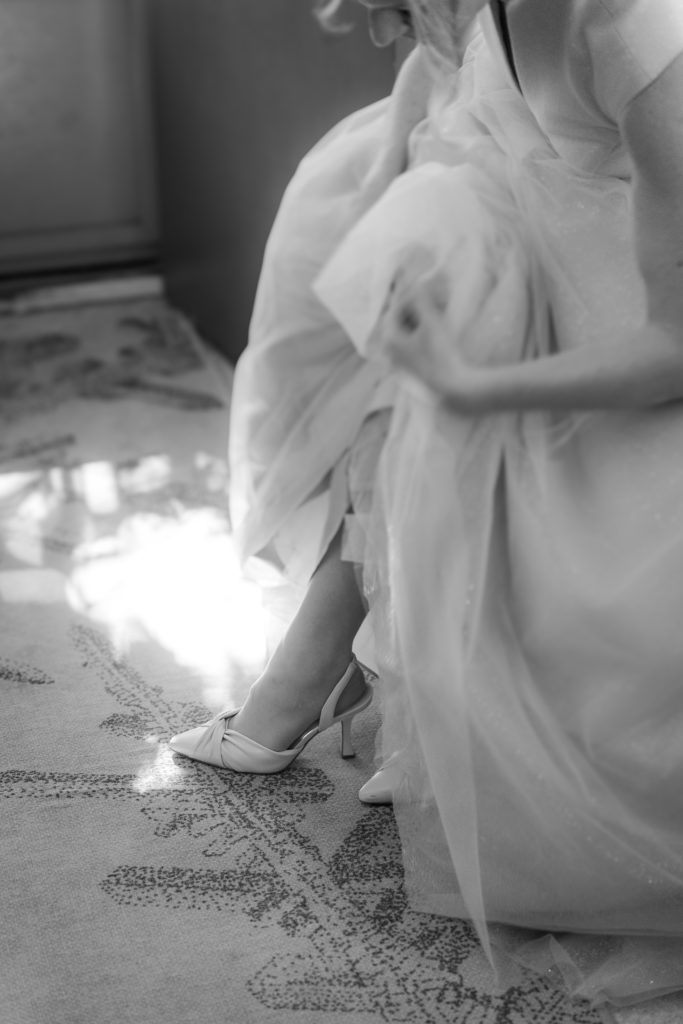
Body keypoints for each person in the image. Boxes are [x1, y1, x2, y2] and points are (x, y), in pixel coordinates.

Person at [171, 0, 683, 1006]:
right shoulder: (480, 16)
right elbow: (473, 111)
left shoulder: (625, 24)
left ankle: (313, 673)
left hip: (642, 323)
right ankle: (326, 667)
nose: (335, 19)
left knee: (415, 391)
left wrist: (464, 385)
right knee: (382, 291)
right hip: (565, 250)